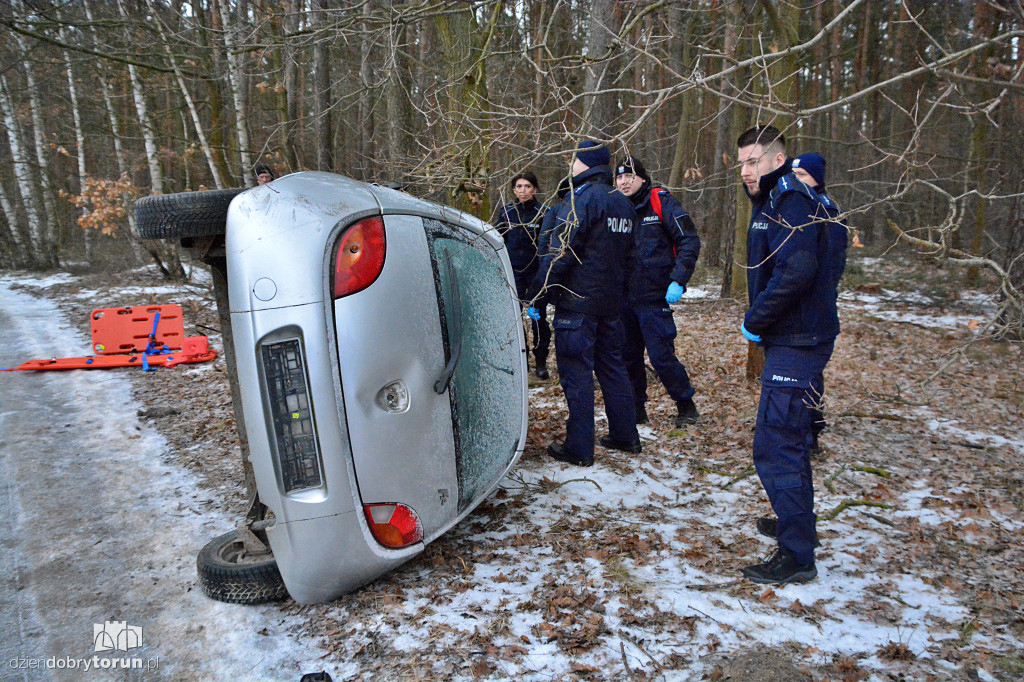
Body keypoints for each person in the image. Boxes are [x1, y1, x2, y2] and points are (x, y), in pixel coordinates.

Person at [736, 125, 841, 585]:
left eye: (753, 161)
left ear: (778, 159)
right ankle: (798, 523)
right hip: (793, 337)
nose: (745, 171)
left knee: (776, 443)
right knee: (789, 439)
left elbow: (797, 271)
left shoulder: (793, 202)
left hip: (797, 339)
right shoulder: (777, 198)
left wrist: (756, 320)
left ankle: (797, 555)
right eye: (741, 162)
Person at [525, 140, 640, 467]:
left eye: (574, 160)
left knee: (577, 375)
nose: (570, 165)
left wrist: (539, 292)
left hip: (577, 306)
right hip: (609, 304)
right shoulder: (623, 204)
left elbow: (561, 253)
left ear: (586, 163)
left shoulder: (581, 200)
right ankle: (625, 435)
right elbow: (632, 258)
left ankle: (579, 447)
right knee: (612, 368)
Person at [614, 155, 702, 428]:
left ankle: (686, 405)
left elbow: (689, 240)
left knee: (661, 356)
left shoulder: (660, 202)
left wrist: (678, 279)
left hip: (654, 298)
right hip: (623, 299)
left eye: (629, 176)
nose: (624, 181)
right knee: (628, 357)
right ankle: (637, 410)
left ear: (641, 178)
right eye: (619, 177)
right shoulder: (614, 207)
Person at [791, 152, 849, 456]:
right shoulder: (800, 207)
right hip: (798, 305)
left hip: (817, 306)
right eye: (794, 176)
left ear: (817, 178)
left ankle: (812, 429)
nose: (797, 181)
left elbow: (831, 264)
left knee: (810, 371)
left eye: (803, 176)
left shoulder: (827, 211)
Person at [495, 172, 551, 378]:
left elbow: (549, 244)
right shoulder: (507, 212)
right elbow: (497, 239)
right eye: (519, 186)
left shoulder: (544, 212)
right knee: (514, 321)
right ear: (513, 189)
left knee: (538, 319)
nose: (523, 191)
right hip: (513, 274)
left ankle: (541, 362)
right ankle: (521, 361)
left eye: (527, 186)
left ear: (534, 189)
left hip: (536, 275)